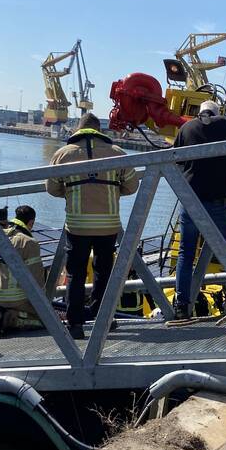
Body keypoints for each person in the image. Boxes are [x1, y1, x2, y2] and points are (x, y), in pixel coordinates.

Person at [46, 113, 138, 340]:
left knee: (76, 274)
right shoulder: (117, 153)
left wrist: (72, 191)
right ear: (99, 130)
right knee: (104, 272)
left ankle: (75, 323)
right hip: (108, 225)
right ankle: (103, 317)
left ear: (79, 129)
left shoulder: (63, 154)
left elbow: (51, 188)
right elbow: (132, 186)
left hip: (77, 225)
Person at [171, 99, 226, 320]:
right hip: (216, 201)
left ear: (199, 112)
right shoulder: (225, 125)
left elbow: (174, 158)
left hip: (190, 201)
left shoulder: (186, 128)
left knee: (186, 253)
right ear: (217, 113)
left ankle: (182, 305)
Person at [0, 205, 46, 339]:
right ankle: (6, 318)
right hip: (15, 298)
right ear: (31, 222)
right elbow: (37, 278)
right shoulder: (30, 243)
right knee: (42, 322)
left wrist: (1, 221)